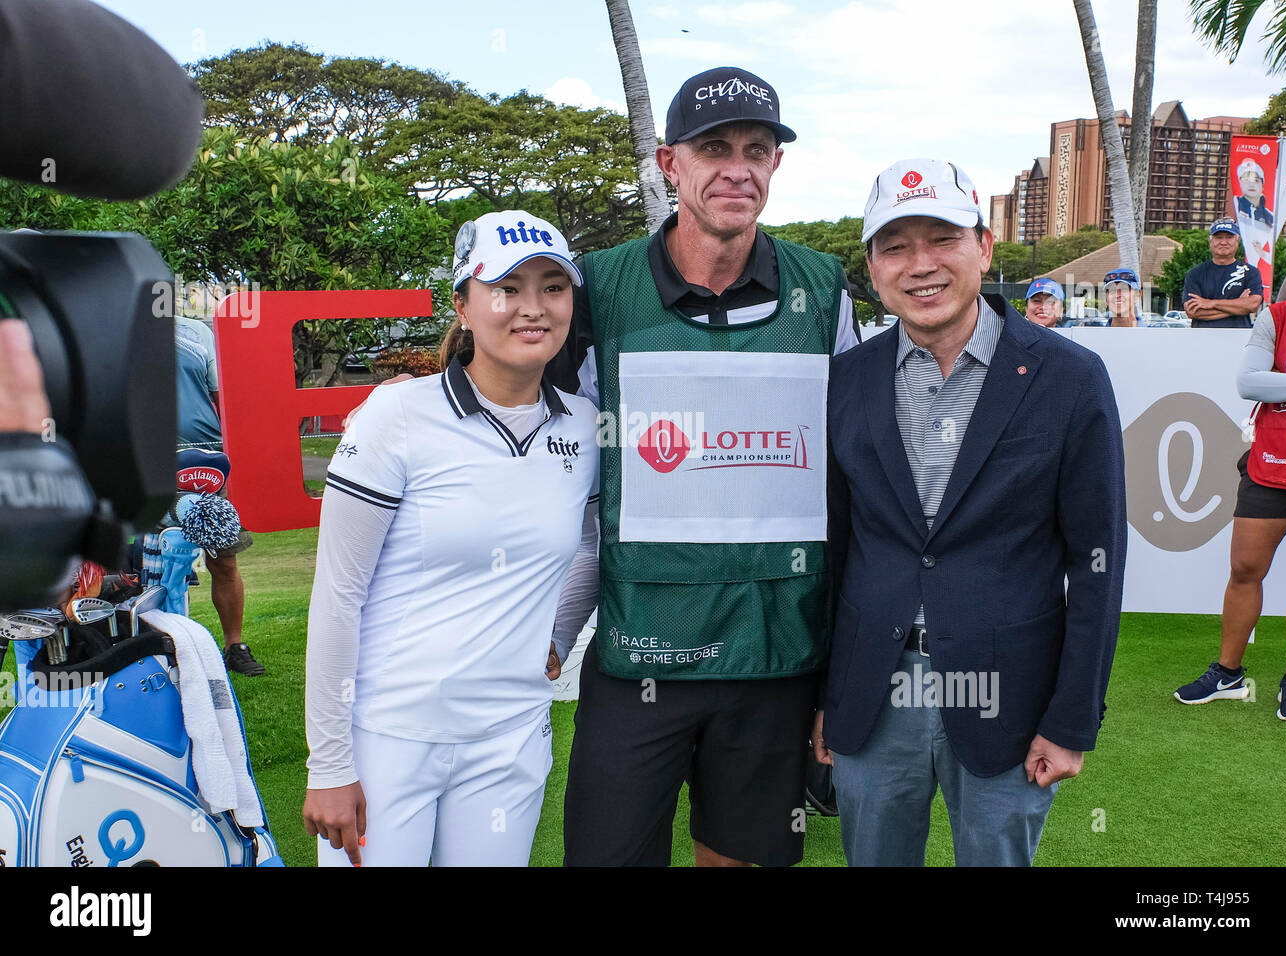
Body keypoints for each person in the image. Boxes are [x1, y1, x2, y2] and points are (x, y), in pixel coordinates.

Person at [546, 66, 861, 867]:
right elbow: (554, 475)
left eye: (757, 149)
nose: (737, 168)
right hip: (638, 651)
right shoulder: (598, 287)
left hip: (776, 654)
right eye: (713, 148)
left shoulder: (824, 293)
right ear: (668, 163)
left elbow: (853, 480)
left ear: (776, 166)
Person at [814, 158, 1126, 866]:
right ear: (871, 267)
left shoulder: (1070, 378)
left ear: (984, 247)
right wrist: (826, 696)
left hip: (1010, 698)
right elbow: (836, 551)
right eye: (895, 245)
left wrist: (1073, 717)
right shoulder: (847, 381)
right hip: (873, 694)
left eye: (942, 238)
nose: (920, 265)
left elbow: (1098, 562)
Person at [302, 211, 599, 866]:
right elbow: (337, 597)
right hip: (389, 739)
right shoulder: (394, 415)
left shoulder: (582, 426)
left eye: (553, 287)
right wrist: (329, 763)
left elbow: (589, 543)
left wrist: (557, 635)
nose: (533, 308)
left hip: (511, 741)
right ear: (462, 303)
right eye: (506, 288)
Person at [1174, 298, 1286, 720]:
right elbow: (1249, 383)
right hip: (1272, 462)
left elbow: (1267, 382)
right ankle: (1227, 673)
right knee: (1245, 569)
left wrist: (1283, 380)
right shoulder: (1279, 316)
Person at [175, 313, 262, 675]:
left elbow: (222, 400)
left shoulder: (195, 332)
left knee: (223, 560)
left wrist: (232, 456)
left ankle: (234, 647)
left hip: (207, 465)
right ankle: (153, 650)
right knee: (145, 563)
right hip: (142, 465)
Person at [1182, 219, 1264, 330]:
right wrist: (1239, 305)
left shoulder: (1250, 272)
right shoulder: (1195, 273)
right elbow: (1192, 312)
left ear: (1238, 240)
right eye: (1218, 237)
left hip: (1238, 338)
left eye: (1229, 237)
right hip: (1202, 338)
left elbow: (1253, 305)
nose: (1224, 242)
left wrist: (1210, 303)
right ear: (1210, 241)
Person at [1236, 160, 1274, 228]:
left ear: (1262, 185)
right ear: (1240, 184)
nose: (1251, 184)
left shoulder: (1270, 217)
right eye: (1246, 180)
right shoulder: (1235, 205)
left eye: (1256, 180)